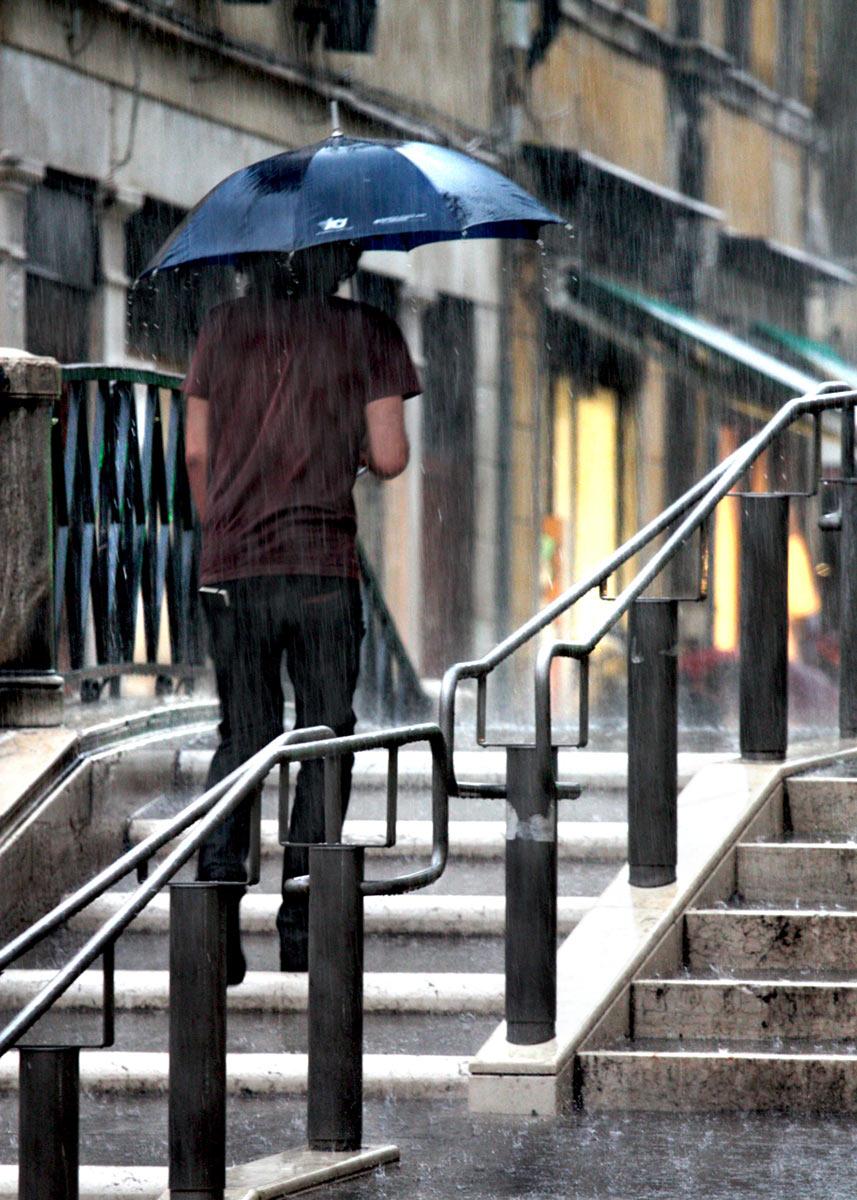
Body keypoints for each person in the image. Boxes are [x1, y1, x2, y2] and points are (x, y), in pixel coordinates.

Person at [182, 241, 420, 983]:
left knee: (244, 735)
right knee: (323, 737)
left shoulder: (221, 328)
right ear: (341, 261)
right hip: (319, 566)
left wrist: (222, 532)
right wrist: (337, 445)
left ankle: (215, 910)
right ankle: (302, 923)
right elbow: (388, 457)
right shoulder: (368, 331)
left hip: (235, 570)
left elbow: (194, 453)